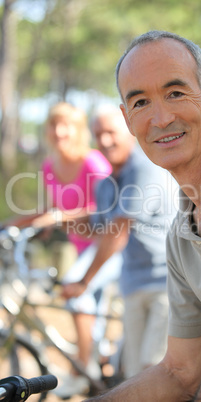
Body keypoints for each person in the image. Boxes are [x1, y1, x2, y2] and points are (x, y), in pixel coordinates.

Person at [83, 30, 201, 402]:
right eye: (140, 103)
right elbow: (179, 372)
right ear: (128, 120)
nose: (161, 118)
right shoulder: (180, 236)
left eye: (176, 93)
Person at [11, 102, 122, 398]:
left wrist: (59, 218)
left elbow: (105, 209)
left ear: (78, 130)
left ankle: (81, 371)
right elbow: (53, 208)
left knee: (77, 293)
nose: (59, 132)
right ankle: (97, 375)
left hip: (109, 245)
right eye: (53, 125)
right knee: (87, 314)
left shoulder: (94, 163)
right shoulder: (50, 166)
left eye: (67, 125)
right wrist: (16, 223)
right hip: (81, 246)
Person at [62, 105, 177, 383]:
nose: (105, 140)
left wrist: (83, 281)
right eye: (98, 134)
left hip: (168, 284)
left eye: (111, 132)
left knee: (156, 371)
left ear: (129, 132)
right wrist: (53, 220)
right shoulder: (105, 184)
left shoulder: (144, 167)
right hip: (133, 284)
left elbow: (117, 231)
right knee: (136, 376)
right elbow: (96, 226)